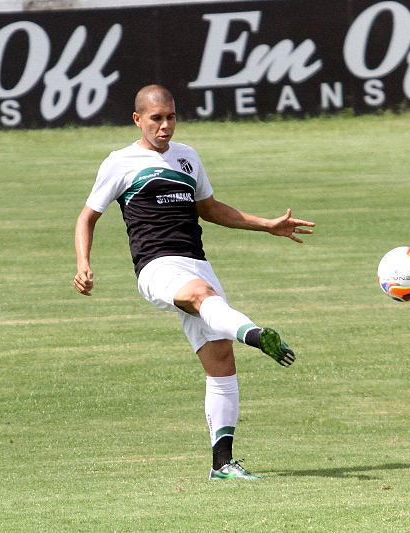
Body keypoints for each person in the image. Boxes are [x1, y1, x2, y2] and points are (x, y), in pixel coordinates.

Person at [74, 85, 314, 480]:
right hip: (156, 267)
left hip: (196, 262)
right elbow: (87, 217)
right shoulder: (120, 162)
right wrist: (83, 264)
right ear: (138, 119)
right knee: (202, 297)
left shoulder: (188, 157)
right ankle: (255, 334)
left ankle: (223, 464)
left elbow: (209, 208)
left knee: (220, 359)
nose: (165, 125)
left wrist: (267, 224)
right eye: (156, 118)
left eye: (170, 116)